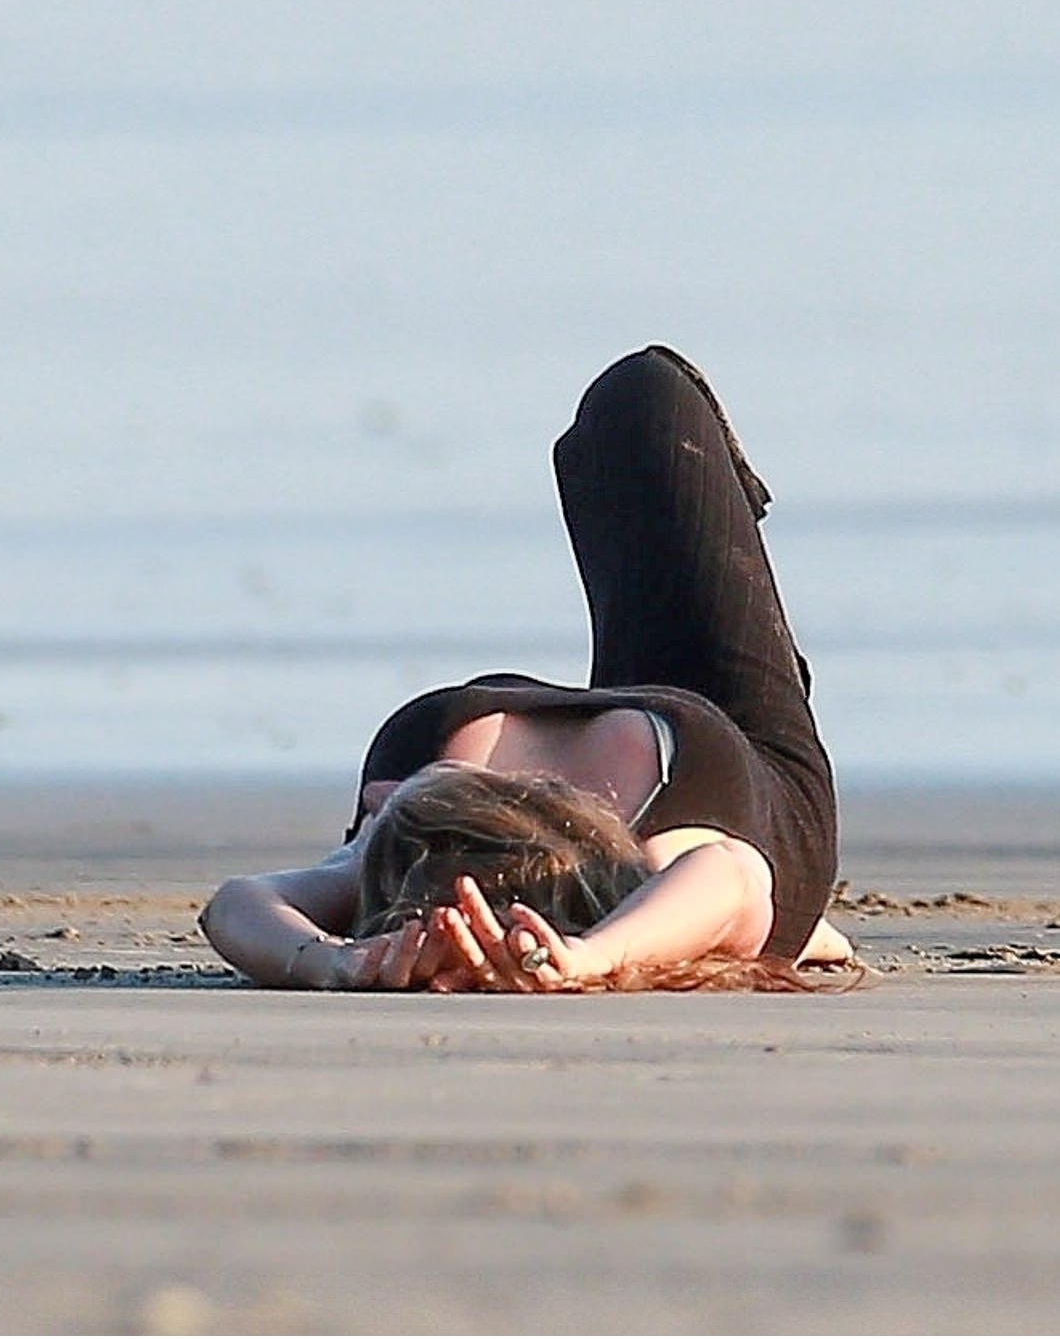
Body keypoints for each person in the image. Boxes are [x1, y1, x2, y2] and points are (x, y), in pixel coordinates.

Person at [200, 345, 849, 993]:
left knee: (629, 404)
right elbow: (727, 878)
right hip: (743, 771)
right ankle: (794, 932)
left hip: (648, 756)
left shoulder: (415, 824)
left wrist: (331, 961)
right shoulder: (662, 857)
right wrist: (592, 955)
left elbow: (236, 902)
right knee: (646, 397)